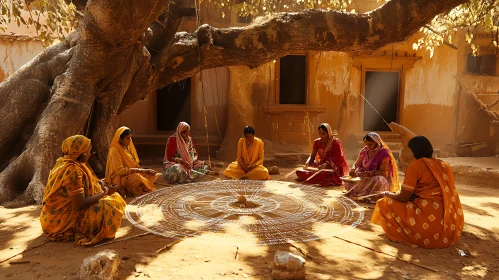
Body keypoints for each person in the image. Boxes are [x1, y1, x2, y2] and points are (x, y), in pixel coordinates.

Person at [371, 136, 464, 248]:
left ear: (413, 151)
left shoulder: (415, 166)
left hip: (428, 231)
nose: (403, 152)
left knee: (384, 203)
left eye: (406, 149)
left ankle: (401, 235)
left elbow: (403, 198)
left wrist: (388, 194)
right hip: (451, 229)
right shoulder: (445, 165)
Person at [40, 135, 126, 246]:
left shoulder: (62, 163)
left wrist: (102, 184)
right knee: (111, 205)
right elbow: (79, 204)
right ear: (82, 153)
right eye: (89, 151)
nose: (91, 154)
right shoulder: (73, 170)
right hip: (62, 221)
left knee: (114, 198)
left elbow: (86, 185)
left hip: (50, 218)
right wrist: (104, 192)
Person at [345, 132, 400, 202]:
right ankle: (364, 193)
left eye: (370, 144)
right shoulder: (365, 150)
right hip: (364, 176)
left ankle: (371, 195)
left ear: (376, 142)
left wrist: (369, 174)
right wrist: (353, 169)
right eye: (366, 144)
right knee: (348, 182)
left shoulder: (384, 153)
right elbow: (357, 163)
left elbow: (383, 172)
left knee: (379, 180)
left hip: (376, 177)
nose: (368, 146)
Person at [105, 126, 158, 197]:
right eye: (127, 138)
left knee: (152, 175)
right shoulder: (115, 150)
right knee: (137, 178)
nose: (130, 140)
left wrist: (145, 171)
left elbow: (134, 164)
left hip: (130, 173)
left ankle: (139, 187)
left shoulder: (127, 148)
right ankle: (130, 189)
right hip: (119, 177)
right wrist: (142, 171)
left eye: (130, 137)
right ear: (120, 139)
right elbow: (120, 171)